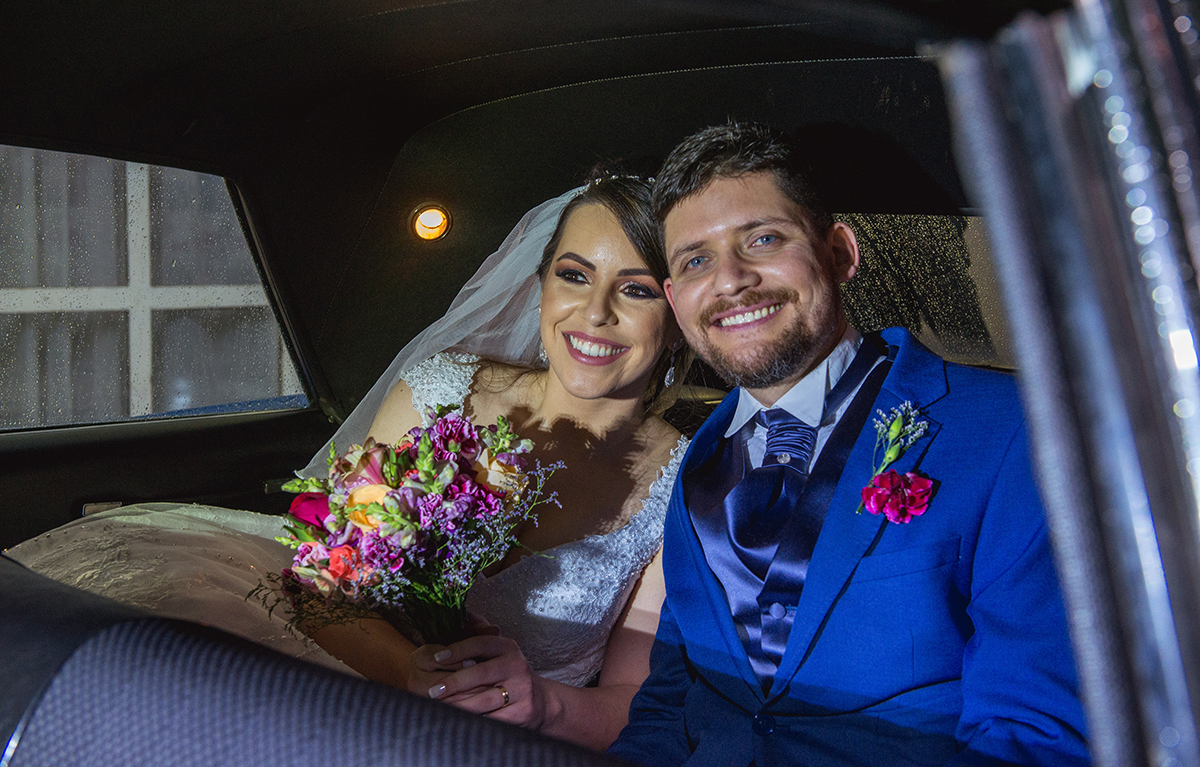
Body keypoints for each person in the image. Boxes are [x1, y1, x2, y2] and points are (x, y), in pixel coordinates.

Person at [7, 174, 690, 752]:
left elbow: (632, 700)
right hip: (342, 686)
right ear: (541, 286)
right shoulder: (442, 392)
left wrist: (539, 704)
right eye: (574, 275)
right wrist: (410, 673)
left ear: (679, 309)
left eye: (635, 290)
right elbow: (318, 584)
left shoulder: (683, 481)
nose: (594, 312)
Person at [607, 123, 1091, 767]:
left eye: (763, 239)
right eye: (695, 261)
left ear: (839, 252)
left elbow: (1035, 732)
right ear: (675, 298)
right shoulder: (696, 458)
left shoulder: (1009, 431)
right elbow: (670, 698)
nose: (730, 280)